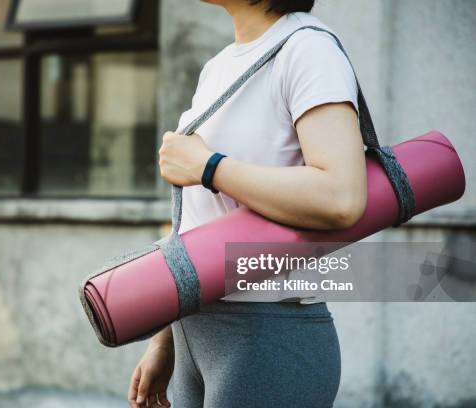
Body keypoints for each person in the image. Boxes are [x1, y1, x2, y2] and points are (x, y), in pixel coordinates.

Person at [128, 0, 367, 406]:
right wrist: (165, 338)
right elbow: (202, 220)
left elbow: (341, 196)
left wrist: (209, 166)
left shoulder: (307, 50)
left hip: (268, 332)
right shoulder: (219, 67)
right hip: (195, 334)